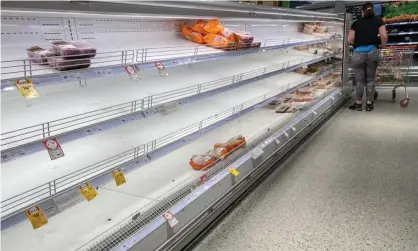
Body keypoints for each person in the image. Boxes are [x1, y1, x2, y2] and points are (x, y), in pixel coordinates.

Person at [348, 2, 388, 111]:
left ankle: (358, 104)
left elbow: (350, 39)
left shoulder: (355, 23)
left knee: (359, 79)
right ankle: (369, 104)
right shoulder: (379, 21)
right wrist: (382, 46)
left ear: (362, 11)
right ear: (373, 11)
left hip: (358, 53)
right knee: (370, 79)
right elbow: (384, 36)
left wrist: (358, 42)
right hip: (372, 52)